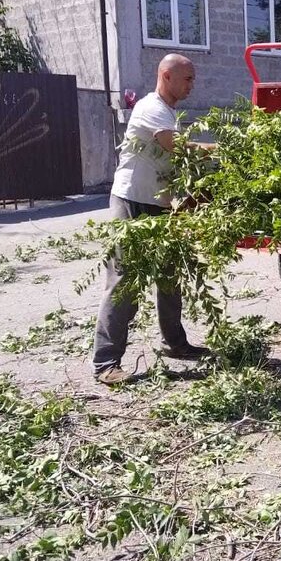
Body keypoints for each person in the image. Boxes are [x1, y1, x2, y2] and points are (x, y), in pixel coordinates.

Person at [91, 53, 210, 384]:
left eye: (193, 79)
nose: (192, 85)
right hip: (131, 203)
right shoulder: (151, 108)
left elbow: (168, 167)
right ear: (166, 76)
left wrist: (184, 199)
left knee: (170, 279)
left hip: (158, 205)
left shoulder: (169, 112)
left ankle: (175, 344)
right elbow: (177, 148)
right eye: (187, 79)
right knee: (124, 281)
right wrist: (221, 151)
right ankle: (105, 363)